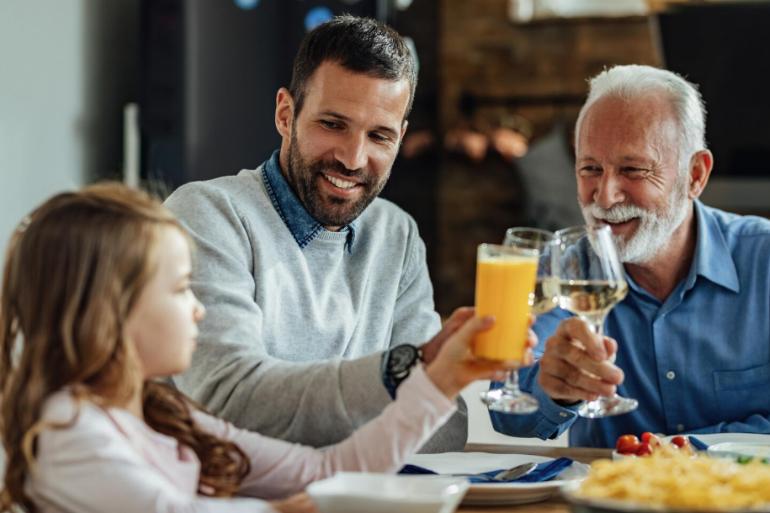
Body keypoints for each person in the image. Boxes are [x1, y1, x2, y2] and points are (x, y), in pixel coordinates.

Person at [0, 183, 523, 513]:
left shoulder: (164, 414)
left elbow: (326, 472)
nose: (198, 309)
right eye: (181, 288)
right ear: (111, 309)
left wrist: (441, 382)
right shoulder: (67, 430)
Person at [164, 15, 465, 452]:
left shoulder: (396, 235)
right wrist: (396, 377)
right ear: (286, 114)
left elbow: (441, 428)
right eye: (333, 124)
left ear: (399, 138)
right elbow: (226, 402)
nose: (353, 158)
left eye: (379, 135)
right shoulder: (207, 215)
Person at [490, 64, 770, 448]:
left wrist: (684, 452)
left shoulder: (763, 259)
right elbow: (506, 414)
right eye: (590, 169)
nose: (605, 198)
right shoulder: (561, 267)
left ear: (695, 175)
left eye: (633, 170)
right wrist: (555, 388)